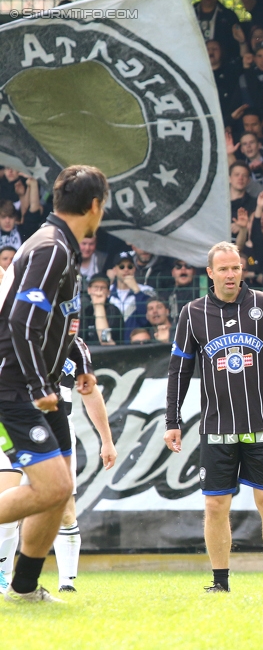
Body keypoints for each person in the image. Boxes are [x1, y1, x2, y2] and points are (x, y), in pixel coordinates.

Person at [0, 165, 107, 603]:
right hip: (16, 387)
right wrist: (39, 385)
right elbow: (21, 323)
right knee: (54, 488)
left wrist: (73, 357)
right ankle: (22, 588)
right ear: (95, 206)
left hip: (25, 383)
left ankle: (23, 589)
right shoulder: (51, 248)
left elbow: (51, 323)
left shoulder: (56, 242)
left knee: (57, 488)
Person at [165, 241, 263, 594]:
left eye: (235, 267)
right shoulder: (192, 313)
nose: (230, 274)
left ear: (242, 270)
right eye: (223, 268)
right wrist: (171, 420)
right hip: (217, 428)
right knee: (215, 505)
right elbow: (179, 370)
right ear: (210, 272)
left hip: (260, 426)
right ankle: (219, 582)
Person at [50, 337, 117, 593]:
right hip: (17, 424)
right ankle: (6, 577)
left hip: (60, 427)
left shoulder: (73, 344)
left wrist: (107, 440)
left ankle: (67, 583)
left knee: (65, 507)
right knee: (10, 499)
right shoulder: (16, 330)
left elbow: (90, 391)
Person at [108, 251, 155, 342]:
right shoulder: (107, 292)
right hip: (113, 344)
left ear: (134, 269)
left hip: (137, 343)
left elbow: (146, 319)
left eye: (129, 266)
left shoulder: (147, 290)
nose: (126, 269)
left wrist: (137, 291)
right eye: (121, 267)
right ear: (115, 270)